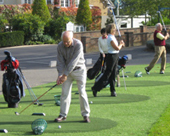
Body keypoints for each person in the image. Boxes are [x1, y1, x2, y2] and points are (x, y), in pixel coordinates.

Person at [54, 31, 90, 123]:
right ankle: (62, 115)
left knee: (82, 92)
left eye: (68, 41)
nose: (65, 43)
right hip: (67, 71)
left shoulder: (78, 44)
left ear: (72, 39)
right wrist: (60, 75)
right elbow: (60, 62)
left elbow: (73, 62)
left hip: (79, 70)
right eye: (64, 41)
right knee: (64, 93)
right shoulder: (60, 46)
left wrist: (64, 75)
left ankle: (86, 114)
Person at [92, 23, 125, 97]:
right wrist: (121, 44)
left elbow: (118, 48)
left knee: (114, 73)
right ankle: (95, 88)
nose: (115, 29)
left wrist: (121, 44)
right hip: (111, 56)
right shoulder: (110, 37)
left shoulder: (112, 36)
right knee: (108, 74)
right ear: (111, 29)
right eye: (114, 28)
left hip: (115, 55)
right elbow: (116, 48)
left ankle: (113, 91)